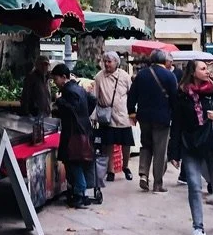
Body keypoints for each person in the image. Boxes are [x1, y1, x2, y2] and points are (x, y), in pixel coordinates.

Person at [169, 59, 213, 235]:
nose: (207, 71)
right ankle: (198, 227)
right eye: (203, 68)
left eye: (207, 68)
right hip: (190, 145)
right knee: (194, 186)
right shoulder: (181, 94)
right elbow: (176, 124)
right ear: (193, 72)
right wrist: (174, 152)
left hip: (212, 144)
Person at [128, 49, 178, 193]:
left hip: (144, 117)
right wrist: (174, 116)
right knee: (160, 150)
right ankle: (157, 183)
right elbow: (174, 99)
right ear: (164, 61)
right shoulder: (170, 76)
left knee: (146, 145)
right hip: (162, 118)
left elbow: (132, 95)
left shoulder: (141, 74)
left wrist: (132, 112)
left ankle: (143, 174)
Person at [51, 64, 94, 209]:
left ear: (64, 77)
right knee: (75, 162)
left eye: (56, 79)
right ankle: (79, 192)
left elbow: (71, 109)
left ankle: (80, 193)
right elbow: (92, 100)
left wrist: (59, 101)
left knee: (73, 162)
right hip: (82, 129)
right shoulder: (79, 88)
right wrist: (85, 115)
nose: (55, 82)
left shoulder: (69, 91)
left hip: (74, 132)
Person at [94, 51, 134, 181]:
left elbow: (131, 94)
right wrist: (94, 115)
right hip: (107, 116)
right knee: (108, 144)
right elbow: (95, 96)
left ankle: (126, 166)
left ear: (116, 62)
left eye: (109, 61)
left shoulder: (124, 76)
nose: (107, 64)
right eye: (105, 61)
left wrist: (133, 113)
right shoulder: (99, 77)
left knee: (126, 143)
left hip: (123, 115)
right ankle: (110, 170)